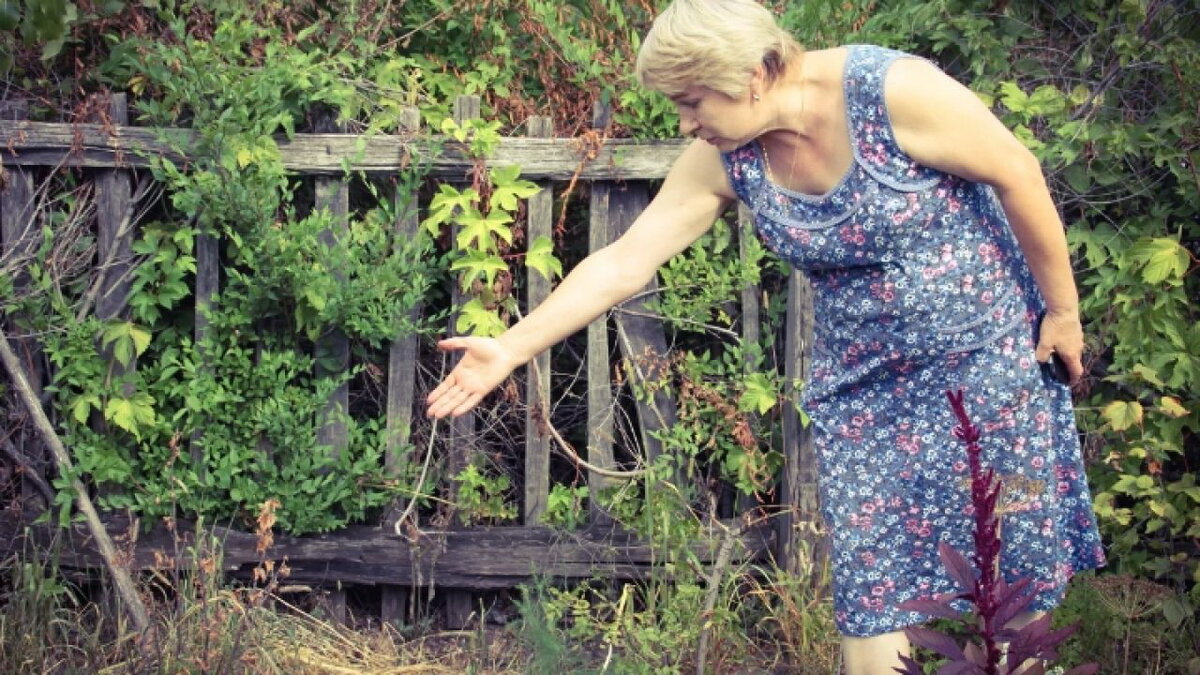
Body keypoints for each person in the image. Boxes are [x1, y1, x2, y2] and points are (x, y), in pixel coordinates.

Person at [426, 0, 1106, 671]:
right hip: (866, 389)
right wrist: (512, 346)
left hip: (988, 360)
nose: (686, 122)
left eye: (693, 101)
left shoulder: (890, 91)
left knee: (1013, 564)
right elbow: (626, 260)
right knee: (873, 586)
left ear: (755, 73)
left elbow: (1017, 170)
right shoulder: (727, 156)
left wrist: (1062, 309)